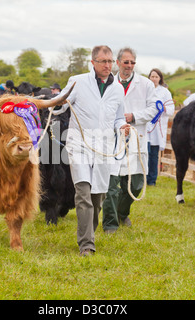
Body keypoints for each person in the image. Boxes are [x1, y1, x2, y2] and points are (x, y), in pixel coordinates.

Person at [54, 45, 130, 256]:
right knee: (83, 193)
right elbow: (60, 106)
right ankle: (87, 244)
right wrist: (52, 102)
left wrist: (121, 127)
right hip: (79, 144)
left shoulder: (117, 89)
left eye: (110, 61)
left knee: (98, 198)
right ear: (93, 63)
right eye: (102, 61)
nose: (107, 65)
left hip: (104, 148)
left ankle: (89, 233)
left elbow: (118, 118)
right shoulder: (77, 82)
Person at [102, 47, 158, 234]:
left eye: (132, 62)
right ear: (117, 63)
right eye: (126, 62)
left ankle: (122, 212)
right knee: (111, 183)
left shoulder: (146, 84)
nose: (129, 66)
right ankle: (110, 223)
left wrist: (132, 116)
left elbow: (153, 109)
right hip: (113, 138)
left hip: (136, 138)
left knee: (134, 184)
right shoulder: (107, 83)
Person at [146, 68, 175, 186]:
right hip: (144, 125)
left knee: (153, 155)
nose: (154, 79)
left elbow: (171, 109)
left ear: (160, 78)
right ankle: (141, 179)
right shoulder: (144, 89)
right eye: (152, 76)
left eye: (156, 77)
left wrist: (162, 108)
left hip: (157, 128)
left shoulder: (165, 92)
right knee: (143, 153)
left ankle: (151, 180)